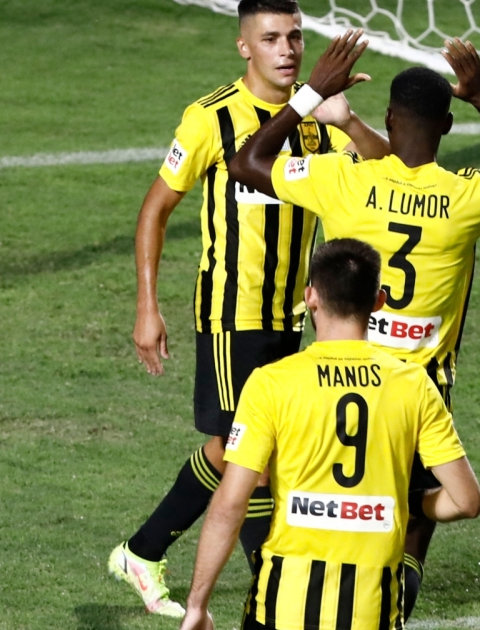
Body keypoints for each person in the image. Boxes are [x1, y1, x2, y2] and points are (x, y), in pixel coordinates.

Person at [229, 31, 480, 618]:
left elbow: (246, 162)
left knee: (316, 507)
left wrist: (311, 94)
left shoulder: (344, 180)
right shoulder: (468, 196)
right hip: (418, 392)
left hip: (333, 378)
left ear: (389, 118)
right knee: (408, 526)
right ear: (446, 126)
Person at [109, 0, 390, 617]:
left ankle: (142, 551)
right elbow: (155, 210)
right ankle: (275, 584)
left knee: (236, 448)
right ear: (244, 47)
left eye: (295, 37)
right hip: (230, 314)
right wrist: (147, 305)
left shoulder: (316, 122)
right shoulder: (210, 118)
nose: (286, 50)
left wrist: (347, 117)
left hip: (295, 315)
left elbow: (386, 171)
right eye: (270, 38)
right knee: (254, 458)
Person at [177, 238, 480, 630]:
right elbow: (466, 501)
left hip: (280, 608)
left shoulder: (272, 383)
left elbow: (229, 504)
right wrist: (412, 505)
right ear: (379, 302)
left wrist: (197, 605)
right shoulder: (414, 385)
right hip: (372, 613)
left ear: (311, 297)